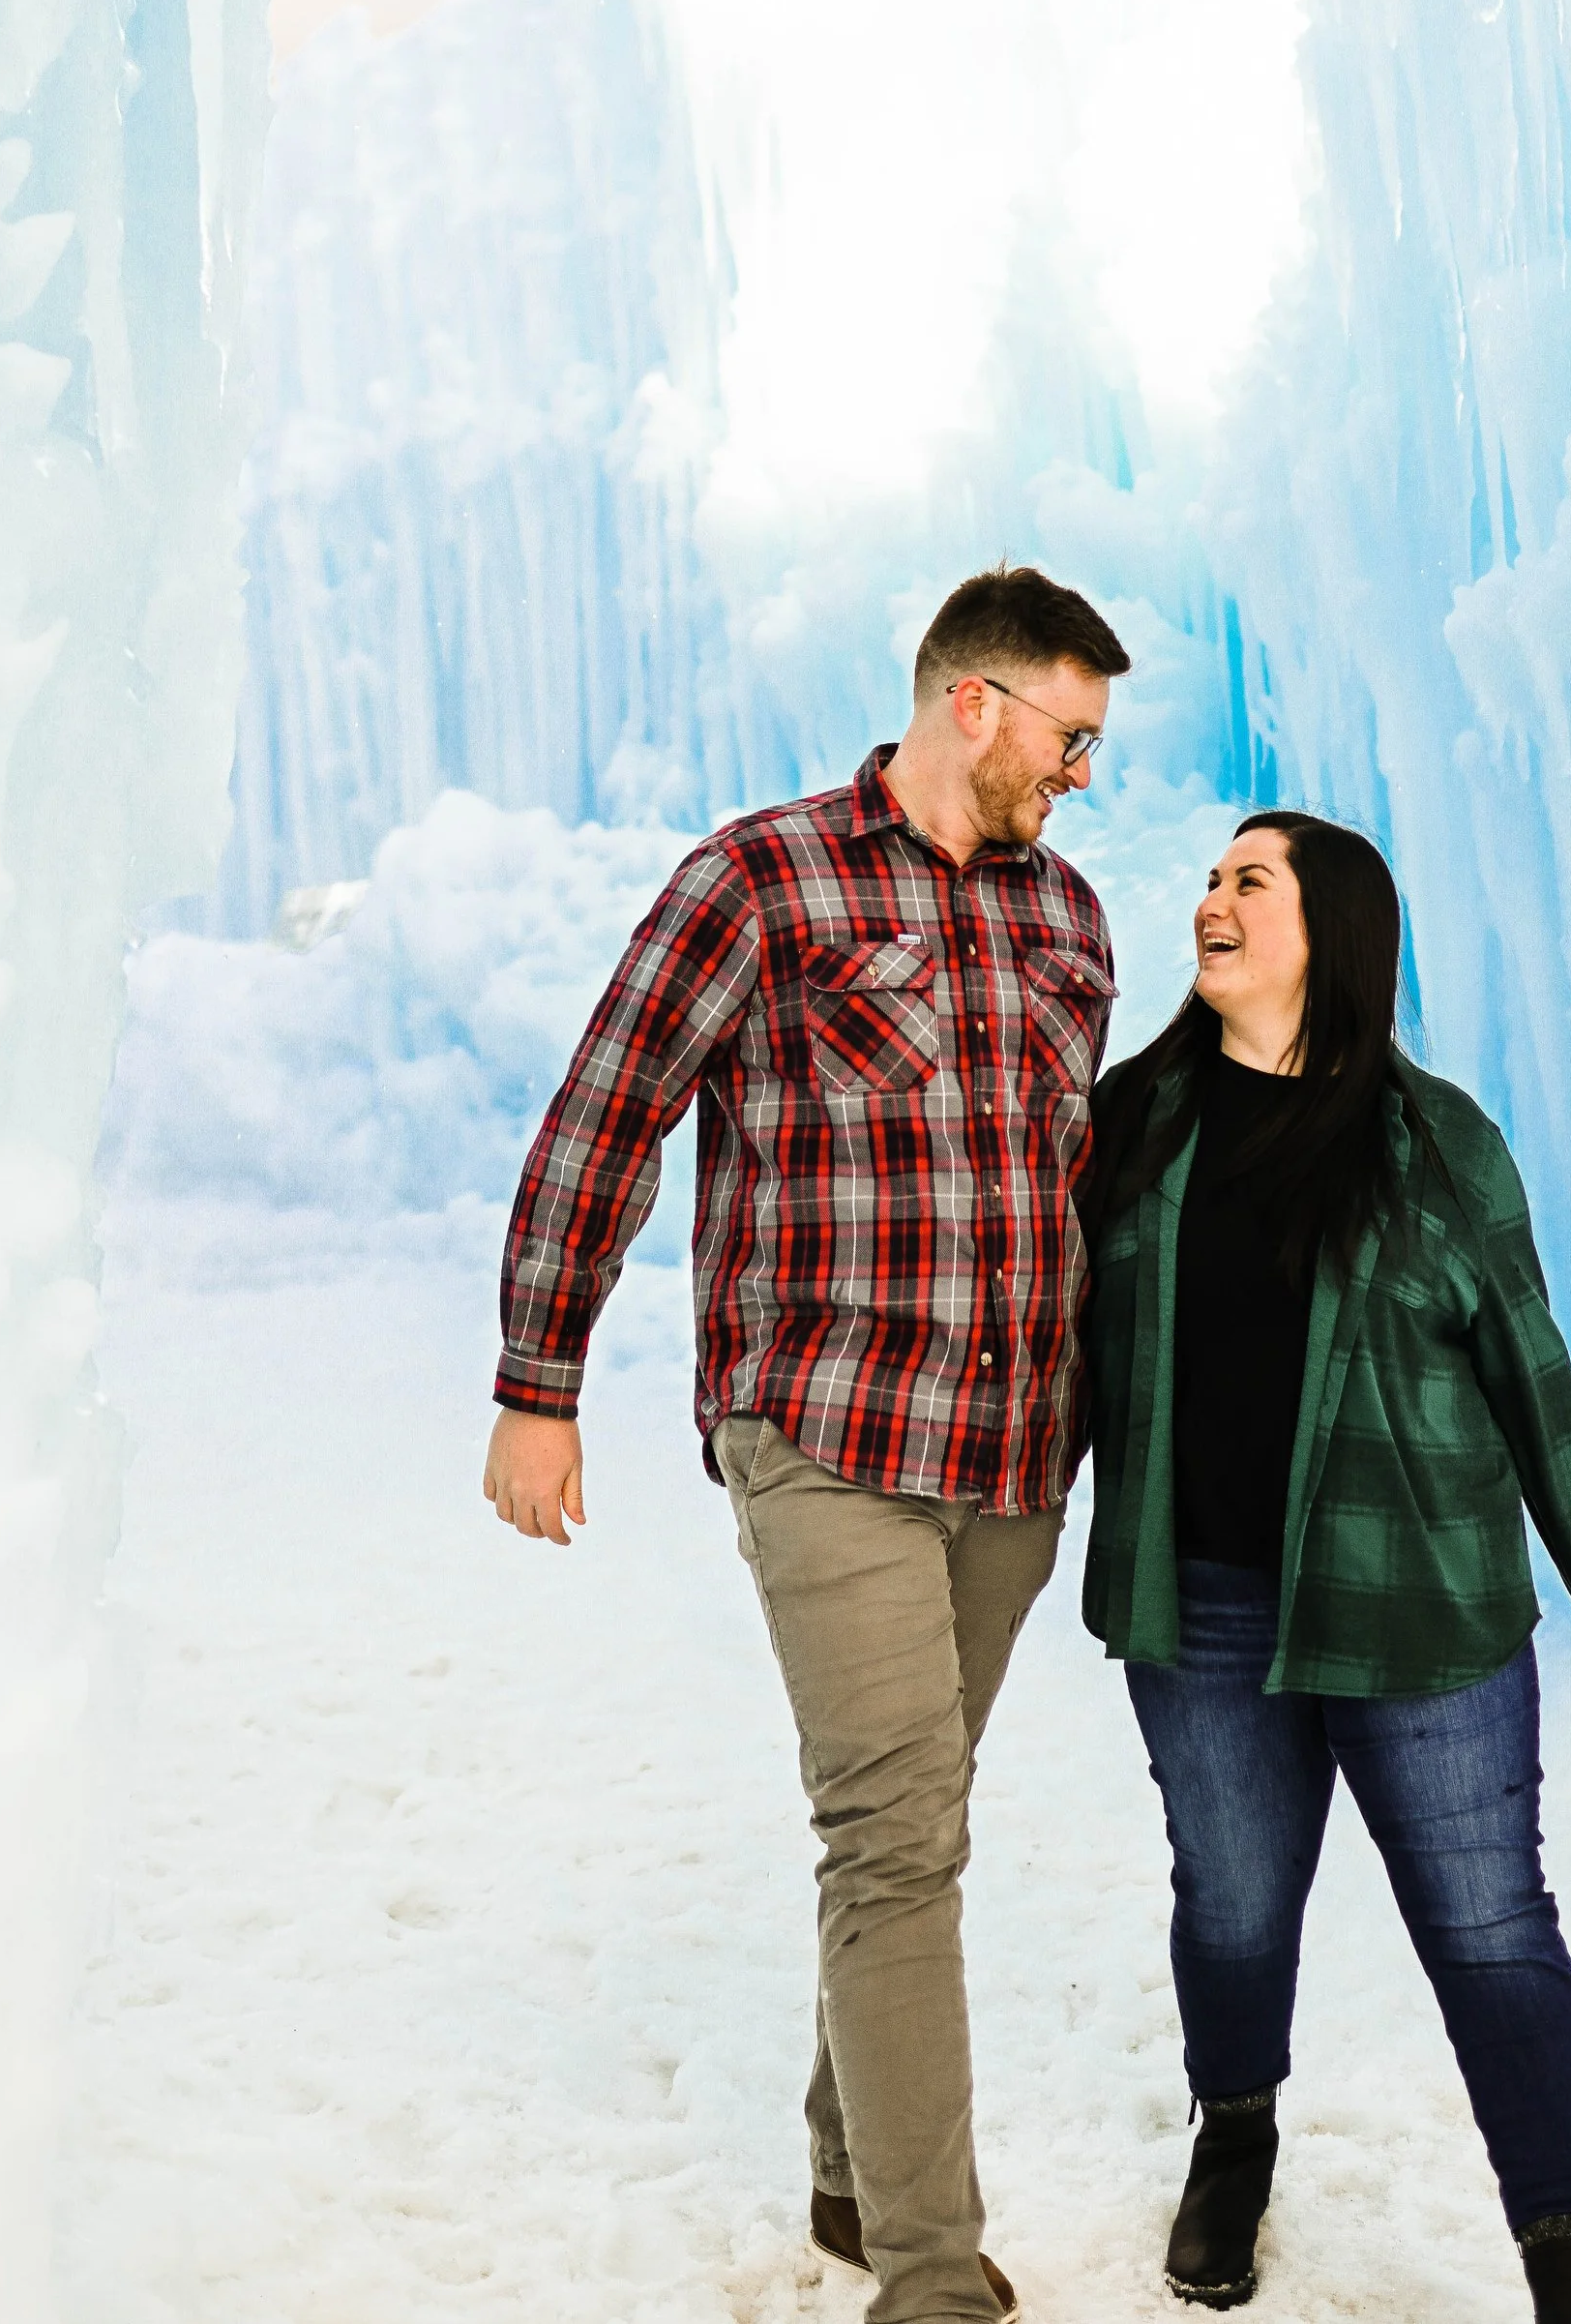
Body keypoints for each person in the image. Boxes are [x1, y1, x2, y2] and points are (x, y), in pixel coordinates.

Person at [483, 566, 1131, 2324]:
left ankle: (853, 2177)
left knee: (922, 1814)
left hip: (1011, 1453)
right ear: (971, 702)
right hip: (826, 1426)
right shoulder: (760, 879)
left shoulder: (1072, 921)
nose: (1082, 773)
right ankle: (931, 2276)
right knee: (896, 1834)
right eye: (1069, 735)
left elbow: (1086, 1193)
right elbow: (606, 1109)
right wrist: (537, 1381)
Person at [1081, 810, 1571, 2321]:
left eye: (1248, 882)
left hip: (1422, 1608)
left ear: (1328, 930)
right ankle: (1237, 2135)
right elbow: (1068, 1355)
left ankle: (1563, 2247)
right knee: (1229, 1901)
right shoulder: (1137, 1123)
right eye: (1210, 880)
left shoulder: (1439, 1142)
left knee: (1490, 1922)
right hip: (1202, 1598)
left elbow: (1535, 1374)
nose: (1212, 901)